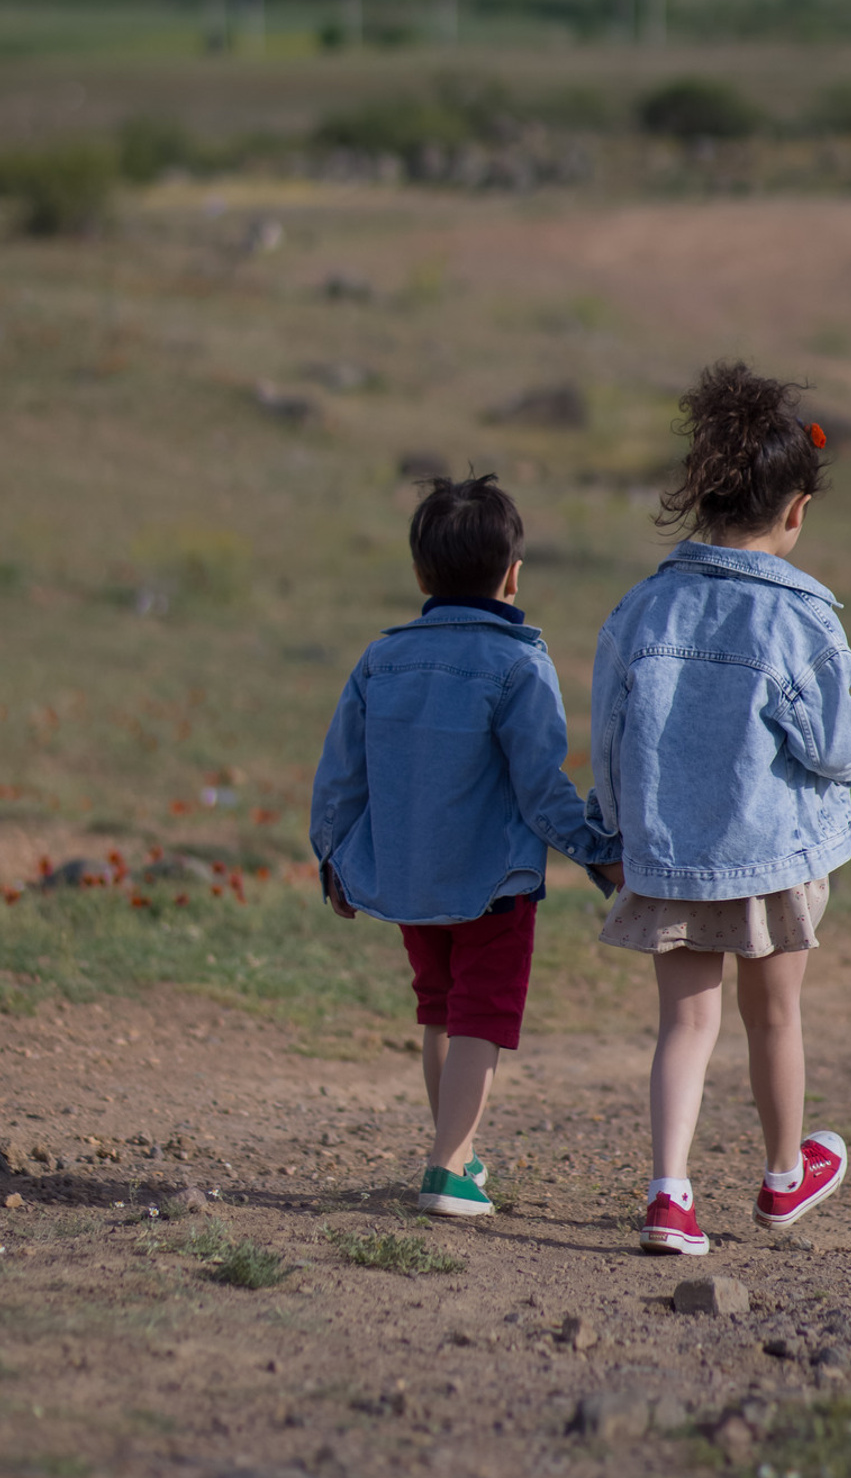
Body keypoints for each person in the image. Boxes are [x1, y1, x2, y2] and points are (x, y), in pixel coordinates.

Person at [591, 362, 851, 1256]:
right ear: (796, 511)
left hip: (668, 855)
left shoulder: (641, 607)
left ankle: (668, 1194)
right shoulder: (802, 620)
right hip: (774, 858)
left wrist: (614, 829)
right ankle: (780, 1177)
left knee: (684, 1024)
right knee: (775, 1018)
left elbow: (609, 732)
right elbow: (835, 746)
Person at [310, 472, 620, 1218]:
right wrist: (599, 855)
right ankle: (447, 1167)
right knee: (480, 1015)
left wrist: (334, 860)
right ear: (514, 576)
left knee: (440, 1010)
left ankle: (462, 1154)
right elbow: (542, 789)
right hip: (494, 885)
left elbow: (339, 778)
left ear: (421, 574)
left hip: (409, 880)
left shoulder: (380, 659)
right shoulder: (519, 662)